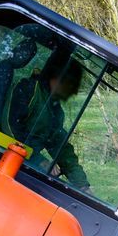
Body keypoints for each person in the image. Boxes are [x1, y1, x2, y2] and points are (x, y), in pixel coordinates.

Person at [7, 52, 90, 190]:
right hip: (1, 159)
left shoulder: (55, 111)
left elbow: (61, 149)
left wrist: (83, 185)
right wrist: (38, 160)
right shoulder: (28, 89)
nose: (74, 92)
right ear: (57, 78)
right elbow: (9, 129)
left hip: (23, 168)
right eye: (71, 84)